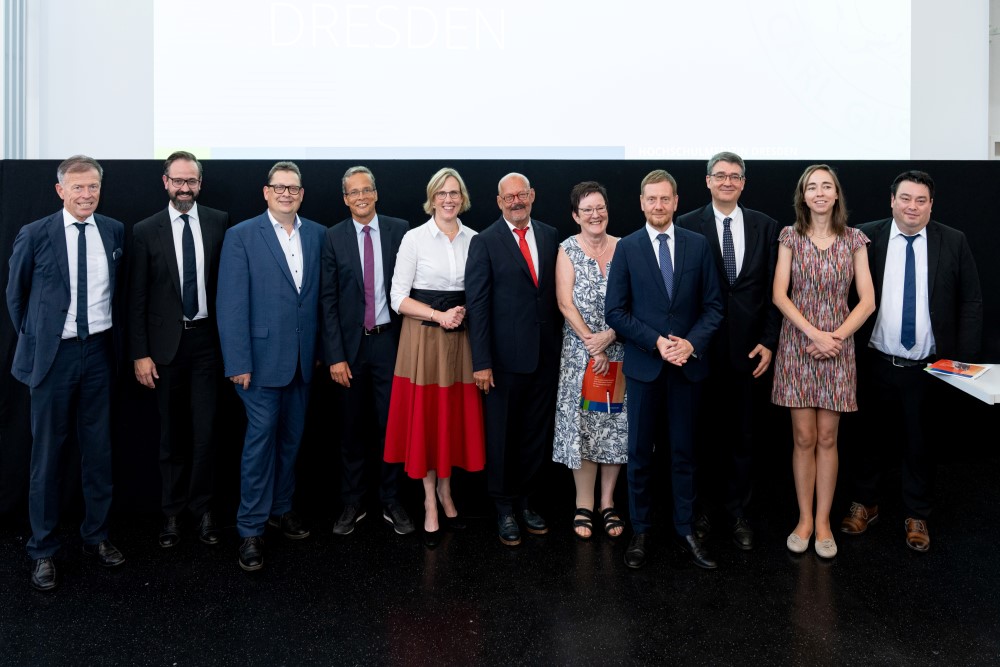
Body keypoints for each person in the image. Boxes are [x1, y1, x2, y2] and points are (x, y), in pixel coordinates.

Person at [840, 170, 982, 552]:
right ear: (892, 200)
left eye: (921, 200)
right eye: (905, 198)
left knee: (921, 443)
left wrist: (962, 363)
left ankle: (917, 513)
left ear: (931, 205)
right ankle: (865, 504)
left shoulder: (953, 241)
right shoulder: (865, 237)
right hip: (874, 360)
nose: (912, 207)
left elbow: (970, 300)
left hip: (929, 367)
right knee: (867, 437)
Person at [6, 155, 126, 591]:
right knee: (47, 457)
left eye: (92, 186)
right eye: (77, 187)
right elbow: (16, 296)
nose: (86, 194)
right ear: (61, 191)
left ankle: (96, 536)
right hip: (53, 357)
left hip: (98, 352)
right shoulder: (36, 233)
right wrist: (39, 341)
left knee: (99, 451)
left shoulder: (113, 231)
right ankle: (43, 549)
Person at [605, 169, 724, 570]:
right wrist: (656, 341)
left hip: (687, 368)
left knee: (684, 453)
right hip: (644, 368)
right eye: (651, 199)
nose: (658, 206)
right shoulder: (628, 248)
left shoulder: (698, 245)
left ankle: (685, 528)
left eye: (665, 199)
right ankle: (641, 529)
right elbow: (615, 312)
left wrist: (690, 343)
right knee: (639, 454)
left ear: (676, 201)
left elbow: (713, 307)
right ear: (641, 202)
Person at [216, 161, 326, 571]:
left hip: (302, 362)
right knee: (259, 445)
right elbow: (230, 304)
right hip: (258, 365)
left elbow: (314, 299)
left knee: (292, 441)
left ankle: (281, 509)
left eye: (293, 188)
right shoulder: (242, 235)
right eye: (278, 187)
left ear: (301, 193)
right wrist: (238, 361)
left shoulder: (316, 234)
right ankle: (250, 528)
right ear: (266, 192)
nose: (286, 194)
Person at [676, 152, 781, 551]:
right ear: (707, 181)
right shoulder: (686, 224)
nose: (727, 181)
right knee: (699, 437)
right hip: (700, 351)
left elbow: (776, 293)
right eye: (719, 175)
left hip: (749, 353)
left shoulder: (766, 226)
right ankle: (700, 511)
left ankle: (738, 512)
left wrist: (770, 342)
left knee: (742, 438)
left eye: (734, 176)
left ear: (743, 182)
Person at [771, 164, 875, 560]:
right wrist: (814, 335)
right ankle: (804, 520)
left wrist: (834, 338)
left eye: (825, 186)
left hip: (839, 345)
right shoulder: (789, 236)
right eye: (811, 187)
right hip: (799, 345)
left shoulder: (855, 239)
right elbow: (780, 295)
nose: (818, 193)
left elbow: (867, 300)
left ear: (836, 195)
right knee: (803, 438)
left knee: (828, 438)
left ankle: (825, 521)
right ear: (803, 195)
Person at [128, 151, 230, 549]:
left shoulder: (219, 222)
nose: (185, 188)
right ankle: (171, 514)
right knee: (171, 436)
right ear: (165, 182)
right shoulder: (145, 229)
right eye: (178, 181)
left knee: (206, 433)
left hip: (207, 342)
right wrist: (140, 353)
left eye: (192, 181)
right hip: (163, 348)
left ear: (200, 184)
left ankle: (202, 510)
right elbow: (135, 296)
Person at [383, 167, 485, 547]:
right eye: (441, 193)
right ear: (431, 197)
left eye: (454, 193)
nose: (448, 199)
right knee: (427, 418)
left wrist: (462, 313)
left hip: (461, 340)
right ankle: (428, 500)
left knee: (451, 418)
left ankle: (447, 492)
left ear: (463, 198)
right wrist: (438, 315)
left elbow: (480, 293)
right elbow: (397, 298)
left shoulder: (475, 239)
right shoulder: (414, 239)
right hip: (423, 339)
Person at [466, 172, 562, 547]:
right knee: (503, 435)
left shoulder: (551, 235)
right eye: (510, 196)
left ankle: (525, 502)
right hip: (502, 362)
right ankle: (503, 507)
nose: (516, 201)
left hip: (545, 356)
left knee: (535, 435)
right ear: (499, 201)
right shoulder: (485, 241)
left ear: (533, 196)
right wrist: (481, 361)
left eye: (522, 194)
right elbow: (477, 305)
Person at [321, 166, 415, 538]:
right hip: (349, 347)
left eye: (366, 190)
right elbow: (327, 301)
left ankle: (391, 499)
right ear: (345, 199)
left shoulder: (400, 229)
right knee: (350, 429)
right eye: (352, 192)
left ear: (376, 193)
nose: (360, 197)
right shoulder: (333, 237)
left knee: (391, 426)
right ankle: (353, 501)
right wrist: (334, 355)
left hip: (391, 342)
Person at [552, 181, 627, 540]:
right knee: (583, 427)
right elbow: (565, 303)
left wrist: (610, 336)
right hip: (580, 355)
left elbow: (635, 301)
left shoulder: (626, 248)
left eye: (600, 208)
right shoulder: (567, 249)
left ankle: (608, 503)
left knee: (614, 428)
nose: (595, 215)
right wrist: (593, 345)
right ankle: (584, 503)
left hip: (621, 350)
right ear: (575, 216)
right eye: (587, 210)